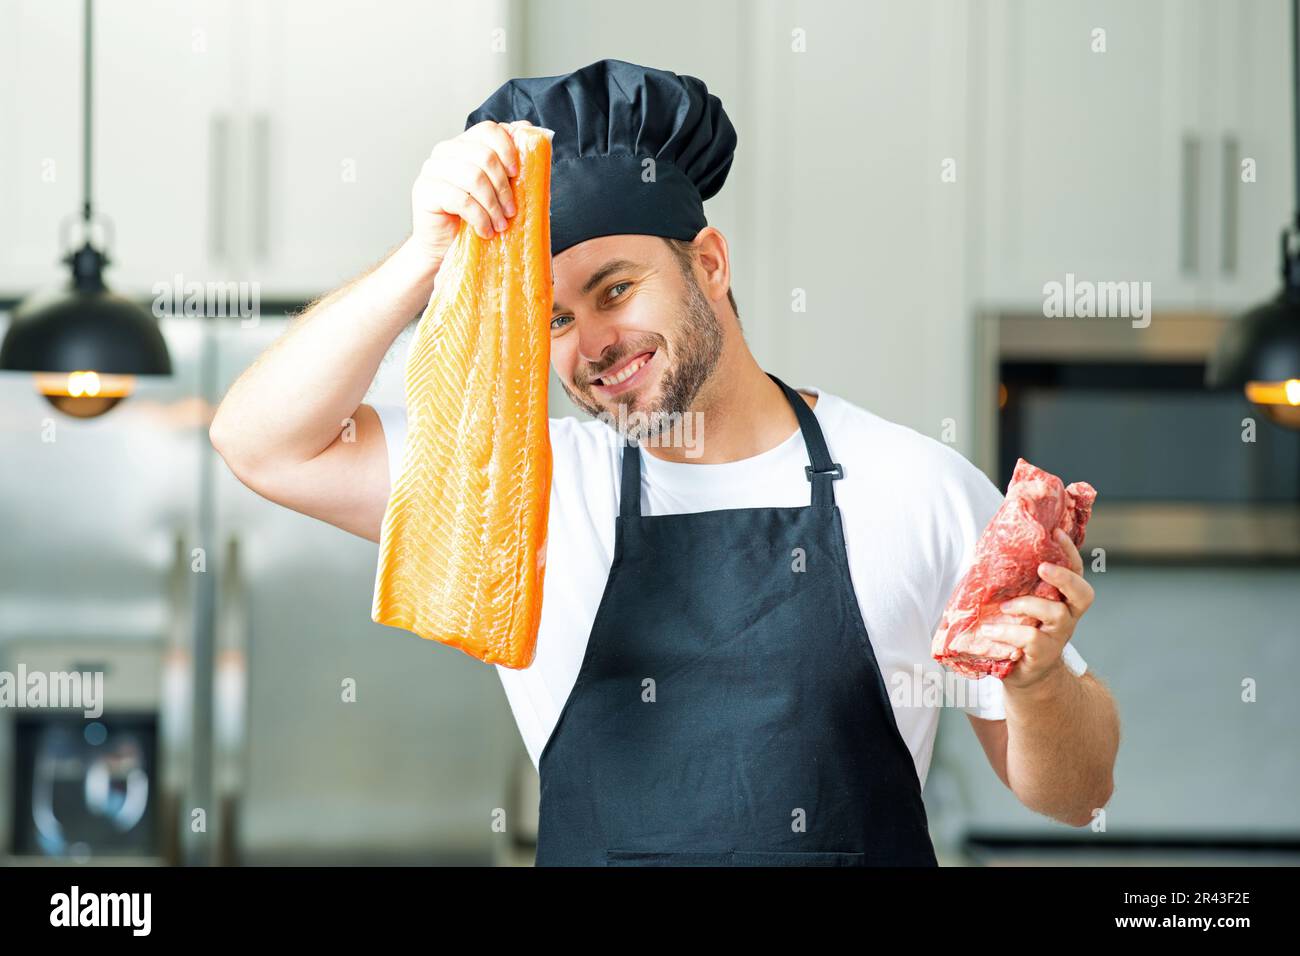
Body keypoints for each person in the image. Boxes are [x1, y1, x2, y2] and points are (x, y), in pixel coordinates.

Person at [210, 59, 1119, 866]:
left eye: (615, 289)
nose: (592, 342)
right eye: (555, 320)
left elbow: (1077, 794)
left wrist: (1038, 687)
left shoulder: (913, 486)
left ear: (710, 264)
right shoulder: (522, 490)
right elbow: (259, 443)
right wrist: (424, 257)